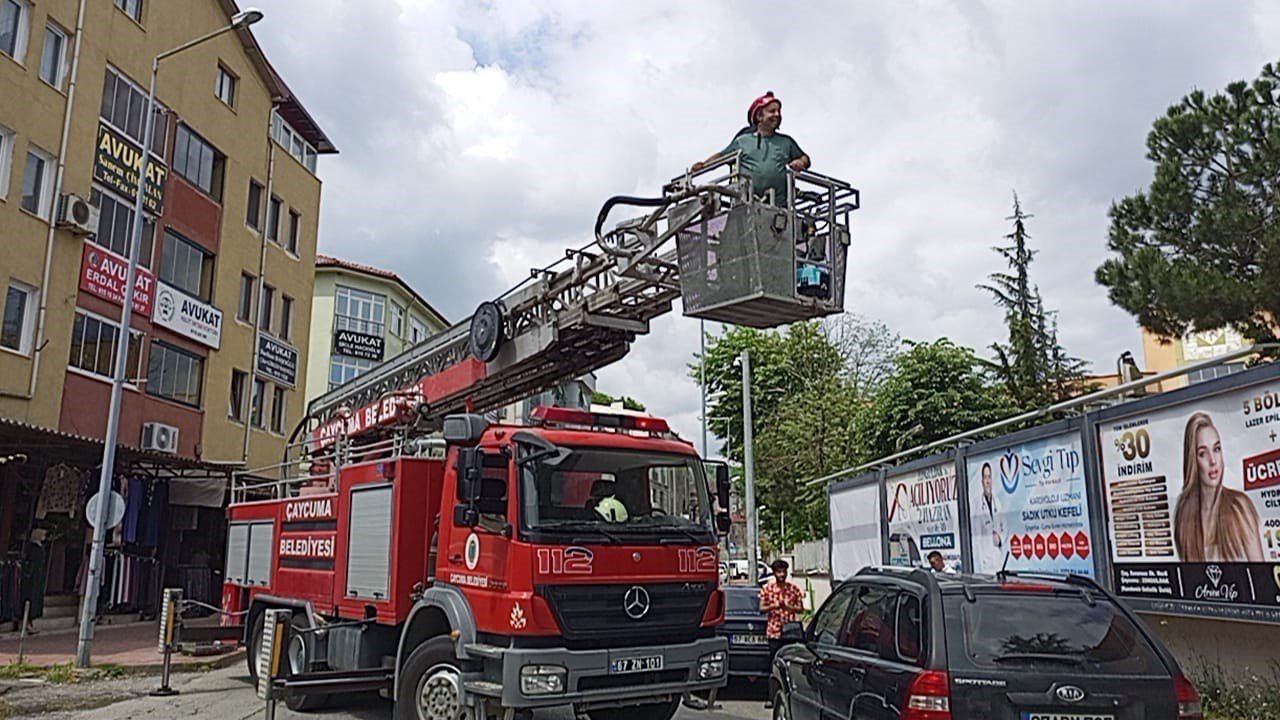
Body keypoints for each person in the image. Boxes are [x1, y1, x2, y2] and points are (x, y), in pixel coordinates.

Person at [691, 91, 811, 207]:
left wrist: (801, 162)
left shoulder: (786, 142)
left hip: (779, 208)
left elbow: (805, 158)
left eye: (779, 111)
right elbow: (722, 156)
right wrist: (704, 165)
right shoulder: (743, 141)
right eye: (772, 111)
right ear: (759, 116)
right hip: (746, 205)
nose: (777, 115)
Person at [1173, 412, 1264, 562]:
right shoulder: (1184, 514)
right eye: (1203, 453)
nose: (1213, 460)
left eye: (1216, 449)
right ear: (1192, 461)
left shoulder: (1239, 507)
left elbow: (1261, 574)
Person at [759, 558, 805, 707]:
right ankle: (772, 697)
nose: (781, 574)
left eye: (784, 571)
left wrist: (789, 607)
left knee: (790, 664)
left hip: (790, 632)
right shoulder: (768, 588)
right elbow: (761, 608)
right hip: (774, 631)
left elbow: (801, 608)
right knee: (773, 663)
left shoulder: (793, 589)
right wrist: (774, 605)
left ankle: (791, 695)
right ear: (774, 573)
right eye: (778, 572)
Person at [974, 462, 1004, 572]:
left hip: (998, 559)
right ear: (982, 481)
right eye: (985, 477)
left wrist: (1000, 538)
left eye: (989, 477)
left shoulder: (998, 503)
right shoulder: (978, 506)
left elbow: (1004, 527)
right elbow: (977, 539)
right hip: (985, 564)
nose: (987, 481)